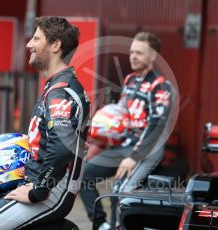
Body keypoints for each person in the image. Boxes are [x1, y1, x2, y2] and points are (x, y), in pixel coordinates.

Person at [0, 16, 90, 229]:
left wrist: (37, 192)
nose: (29, 44)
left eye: (36, 39)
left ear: (56, 45)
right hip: (35, 183)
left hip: (50, 193)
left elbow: (62, 149)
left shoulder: (61, 92)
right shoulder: (54, 86)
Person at [79, 32, 177, 230]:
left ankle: (118, 226)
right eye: (132, 52)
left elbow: (157, 126)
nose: (133, 56)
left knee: (120, 191)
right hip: (125, 144)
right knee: (83, 176)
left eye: (139, 53)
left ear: (153, 56)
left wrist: (134, 157)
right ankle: (101, 225)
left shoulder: (161, 87)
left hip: (148, 149)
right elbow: (122, 113)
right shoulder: (131, 80)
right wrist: (102, 134)